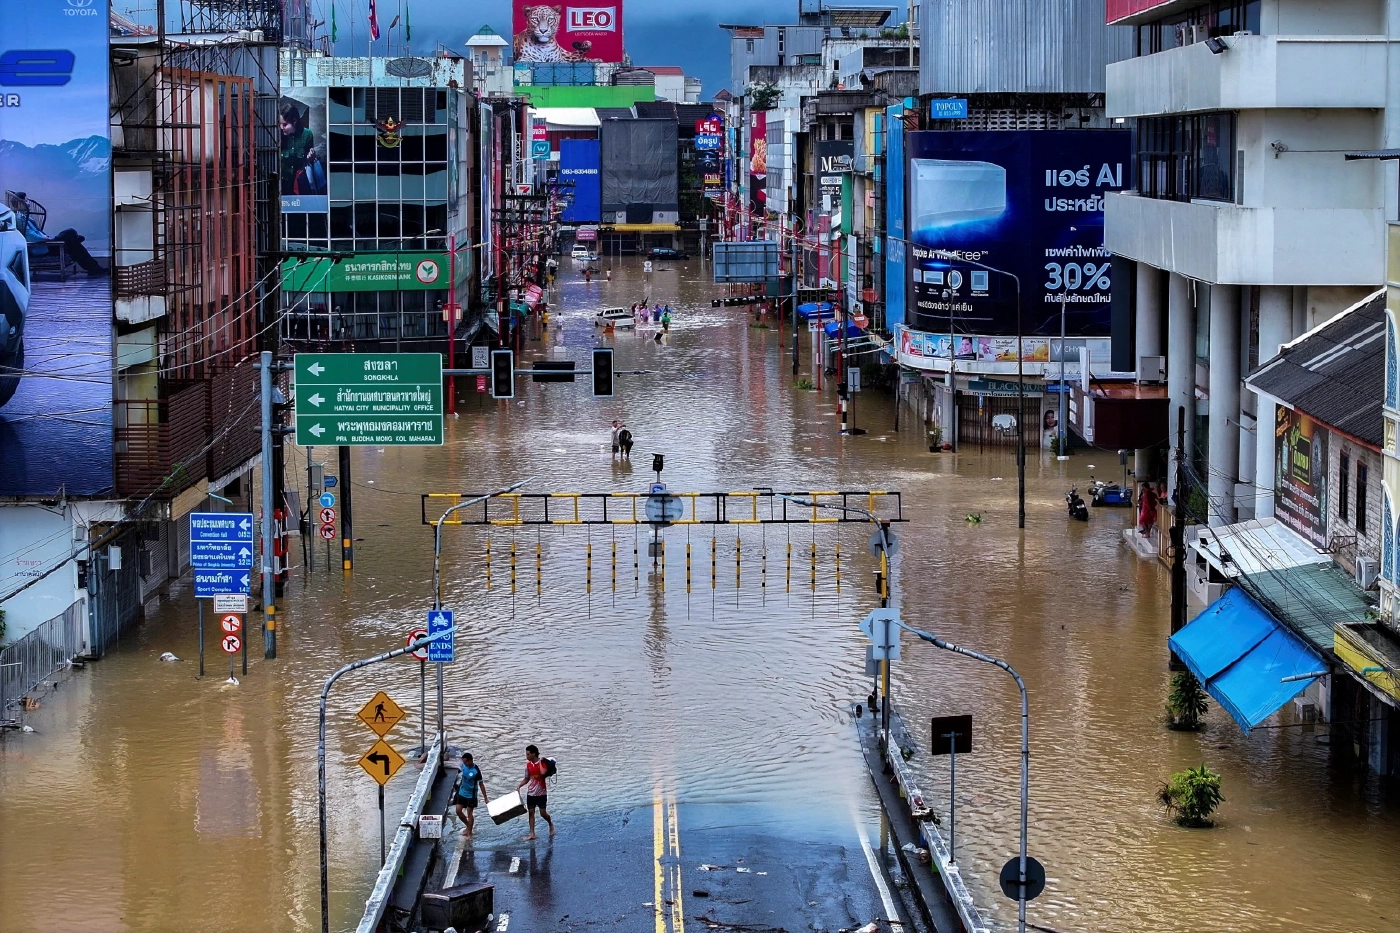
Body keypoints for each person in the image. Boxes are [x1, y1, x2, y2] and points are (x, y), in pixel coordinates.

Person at [516, 744, 554, 840]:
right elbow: (527, 778)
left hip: (541, 793)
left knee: (542, 813)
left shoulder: (542, 763)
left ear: (533, 754)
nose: (526, 756)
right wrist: (520, 785)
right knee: (531, 812)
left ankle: (550, 823)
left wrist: (540, 762)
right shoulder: (528, 765)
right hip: (531, 793)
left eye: (528, 754)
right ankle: (532, 833)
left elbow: (543, 772)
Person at [452, 752, 489, 837]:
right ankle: (468, 826)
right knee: (458, 811)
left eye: (466, 762)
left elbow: (481, 784)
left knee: (469, 813)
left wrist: (485, 798)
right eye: (463, 762)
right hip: (462, 792)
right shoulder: (463, 766)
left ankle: (469, 833)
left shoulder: (476, 770)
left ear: (470, 761)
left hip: (471, 795)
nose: (464, 764)